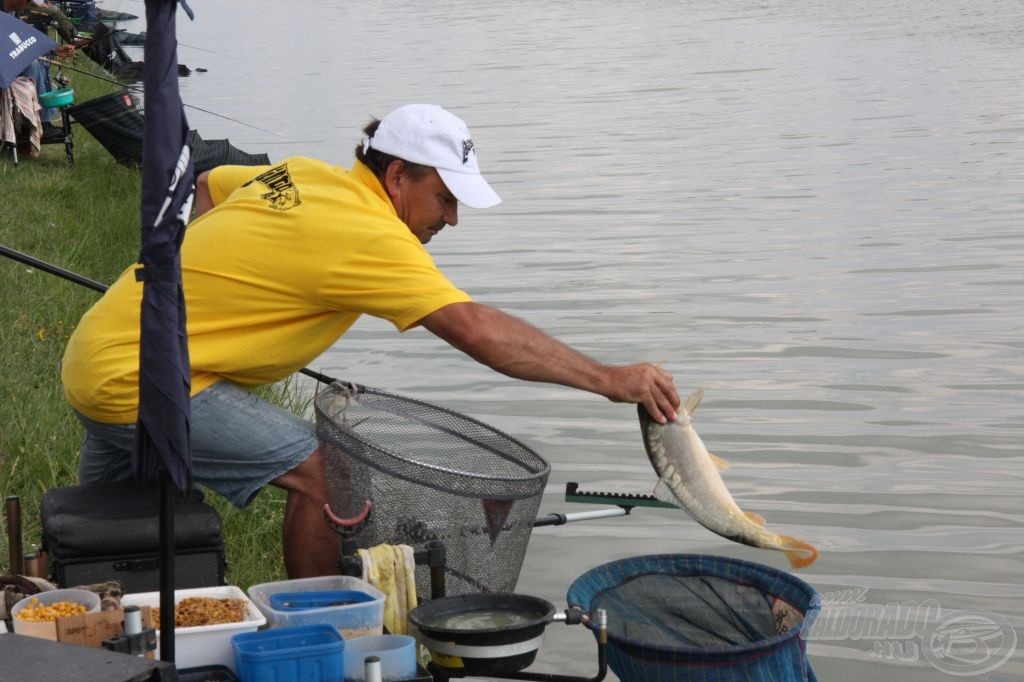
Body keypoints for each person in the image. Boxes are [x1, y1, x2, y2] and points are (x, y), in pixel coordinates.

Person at [61, 104, 681, 578]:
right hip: (143, 382)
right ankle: (318, 631)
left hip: (102, 350)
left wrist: (201, 283)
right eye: (444, 198)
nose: (452, 219)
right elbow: (474, 330)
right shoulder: (373, 235)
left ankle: (72, 608)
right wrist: (607, 379)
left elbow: (210, 184)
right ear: (396, 177)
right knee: (327, 474)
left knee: (101, 527)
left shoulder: (306, 175)